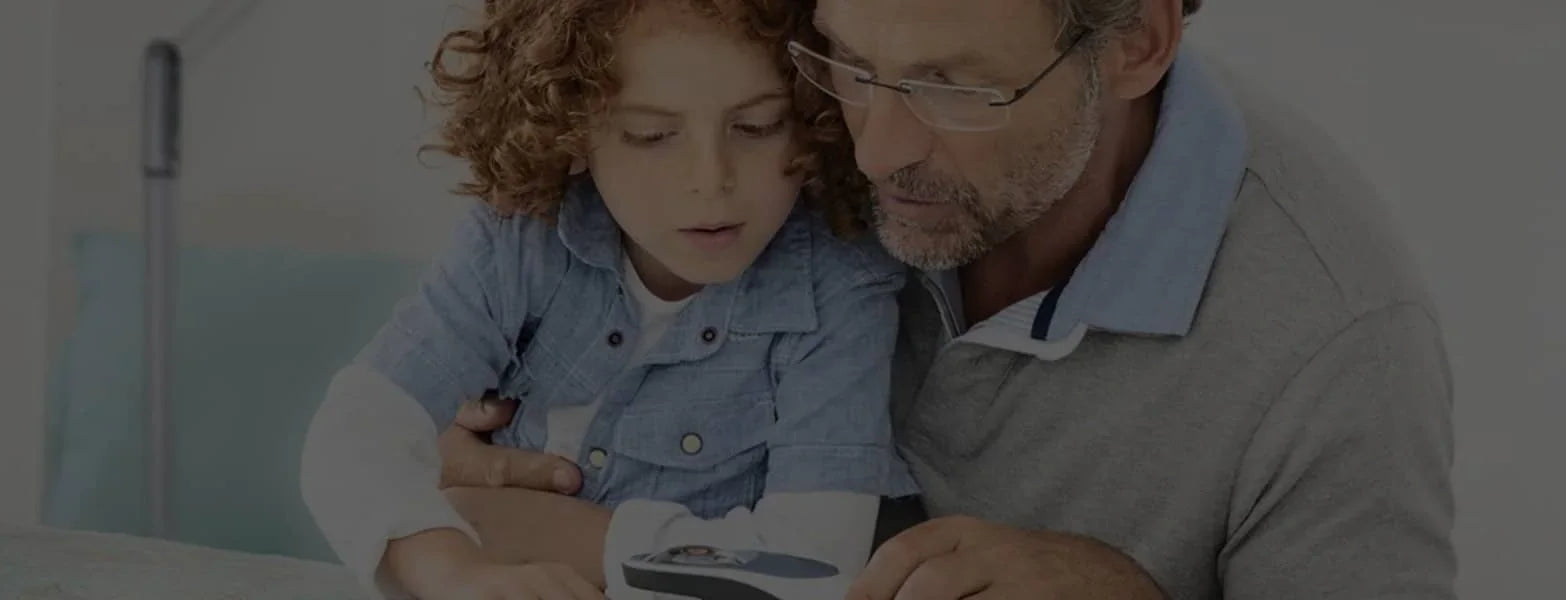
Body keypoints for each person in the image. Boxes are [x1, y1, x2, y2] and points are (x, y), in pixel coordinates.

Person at [435, 0, 1458, 597]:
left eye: (955, 90)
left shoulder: (1336, 346)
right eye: (850, 64)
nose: (872, 152)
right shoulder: (777, 96)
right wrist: (466, 443)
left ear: (1137, 42)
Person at [295, 0, 917, 598]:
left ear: (816, 116)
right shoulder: (517, 242)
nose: (711, 180)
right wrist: (450, 569)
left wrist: (534, 529)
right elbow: (356, 431)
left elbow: (813, 566)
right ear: (571, 128)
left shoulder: (840, 289)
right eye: (651, 135)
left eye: (757, 126)